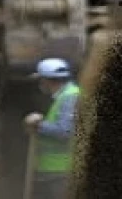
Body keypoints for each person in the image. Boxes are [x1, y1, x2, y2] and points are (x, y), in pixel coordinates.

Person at [24, 57, 81, 198]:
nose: (40, 84)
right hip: (57, 169)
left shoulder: (70, 97)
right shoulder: (64, 96)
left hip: (62, 169)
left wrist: (38, 125)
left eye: (41, 80)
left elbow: (65, 131)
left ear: (47, 80)